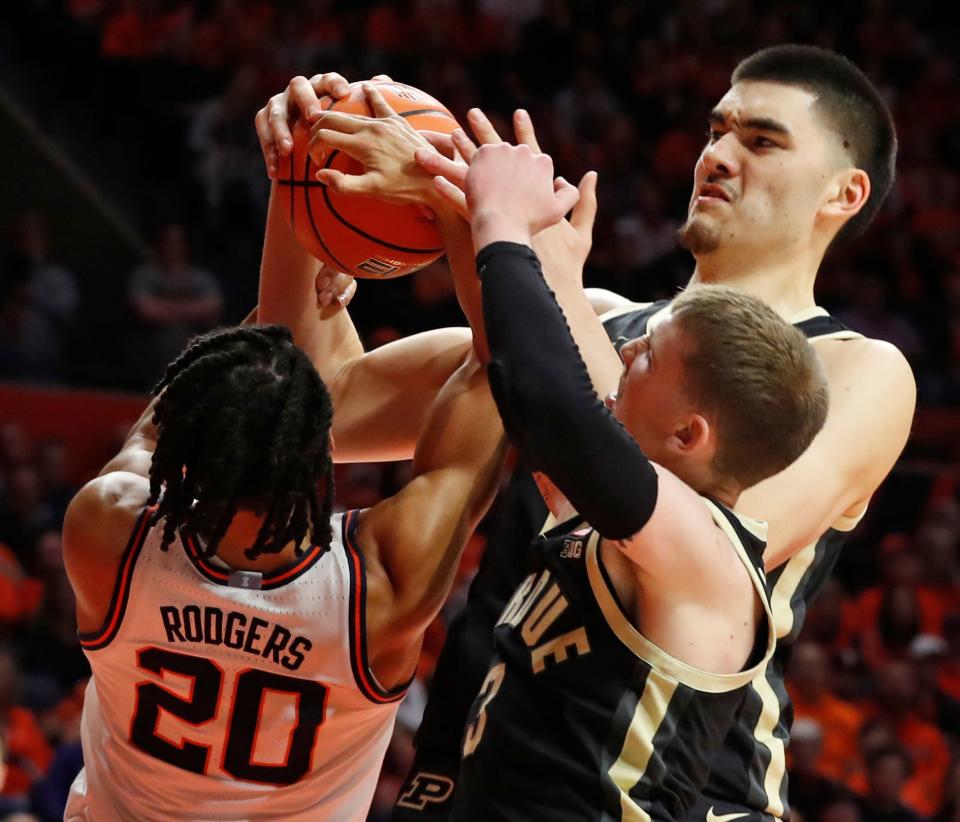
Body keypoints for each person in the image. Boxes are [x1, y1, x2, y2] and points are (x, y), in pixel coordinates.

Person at [255, 44, 915, 820]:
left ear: (845, 192)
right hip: (488, 771)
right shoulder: (591, 316)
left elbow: (677, 516)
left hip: (681, 792)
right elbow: (318, 402)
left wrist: (486, 221)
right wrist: (308, 173)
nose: (718, 154)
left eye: (762, 140)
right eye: (716, 129)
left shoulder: (855, 369)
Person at [60, 172, 509, 816]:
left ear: (189, 458)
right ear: (327, 452)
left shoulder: (108, 533)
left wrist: (300, 218)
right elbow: (500, 364)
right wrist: (466, 218)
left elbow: (174, 413)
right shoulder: (380, 584)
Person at [430, 141, 827, 818]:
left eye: (647, 358)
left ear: (688, 435)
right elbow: (511, 369)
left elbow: (554, 405)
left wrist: (500, 220)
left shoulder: (703, 554)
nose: (623, 349)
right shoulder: (613, 519)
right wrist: (487, 227)